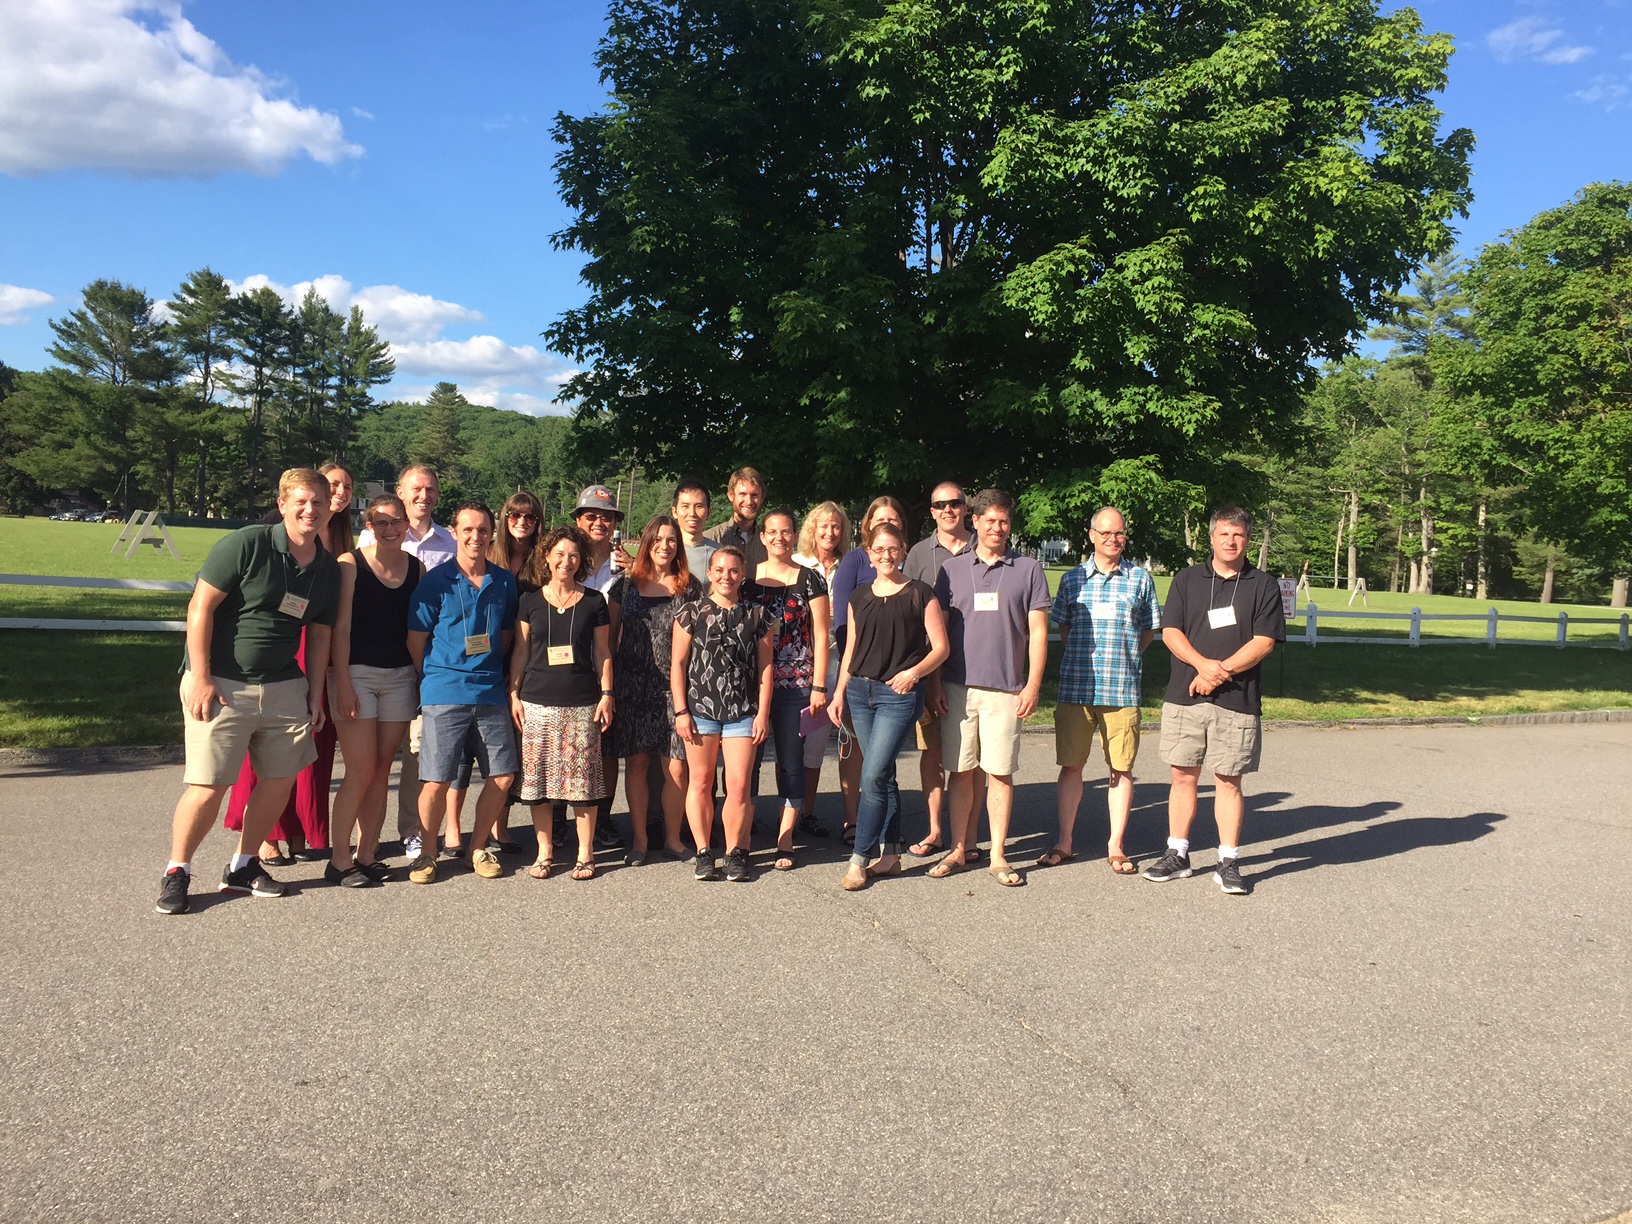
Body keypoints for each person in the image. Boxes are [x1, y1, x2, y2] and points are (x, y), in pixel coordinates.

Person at [155, 468, 341, 914]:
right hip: (222, 683)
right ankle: (177, 869)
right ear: (282, 505)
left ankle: (242, 865)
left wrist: (314, 693)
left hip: (284, 684)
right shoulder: (247, 544)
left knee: (279, 780)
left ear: (329, 508)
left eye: (318, 502)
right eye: (301, 501)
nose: (310, 510)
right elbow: (200, 607)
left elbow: (319, 635)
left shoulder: (327, 568)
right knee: (209, 784)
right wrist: (200, 676)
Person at [1142, 506, 1284, 896]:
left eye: (1238, 535)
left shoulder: (1263, 585)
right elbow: (1171, 632)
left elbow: (1264, 642)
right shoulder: (1187, 579)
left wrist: (1219, 673)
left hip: (1237, 699)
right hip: (1184, 696)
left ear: (1248, 540)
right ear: (1211, 537)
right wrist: (1203, 666)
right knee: (1182, 777)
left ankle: (1228, 861)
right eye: (1224, 534)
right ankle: (1177, 854)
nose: (1230, 541)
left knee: (1228, 780)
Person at [223, 461, 355, 862]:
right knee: (265, 749)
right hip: (281, 646)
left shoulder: (344, 537)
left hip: (319, 643)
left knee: (310, 747)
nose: (340, 492)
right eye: (333, 484)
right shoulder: (274, 529)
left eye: (346, 487)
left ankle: (301, 828)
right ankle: (266, 834)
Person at [932, 488, 1051, 887]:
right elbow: (939, 631)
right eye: (990, 520)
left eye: (1004, 521)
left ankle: (998, 855)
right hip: (957, 686)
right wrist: (934, 682)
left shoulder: (1028, 569)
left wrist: (1032, 684)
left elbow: (1038, 632)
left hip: (1006, 689)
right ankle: (958, 848)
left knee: (999, 773)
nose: (997, 528)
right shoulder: (951, 569)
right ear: (976, 522)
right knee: (960, 772)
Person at [829, 520, 949, 891]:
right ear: (868, 553)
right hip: (859, 692)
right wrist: (839, 692)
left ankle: (859, 859)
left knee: (872, 775)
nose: (886, 555)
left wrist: (914, 674)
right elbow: (851, 650)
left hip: (898, 696)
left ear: (903, 551)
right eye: (878, 549)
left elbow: (941, 648)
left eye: (892, 549)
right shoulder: (859, 597)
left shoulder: (920, 593)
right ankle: (892, 856)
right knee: (883, 775)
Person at [404, 503, 520, 885]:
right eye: (467, 529)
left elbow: (505, 636)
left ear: (492, 534)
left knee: (502, 775)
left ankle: (478, 847)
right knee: (436, 780)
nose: (475, 537)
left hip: (489, 690)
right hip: (444, 690)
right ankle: (428, 853)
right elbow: (416, 641)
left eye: (483, 530)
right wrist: (435, 678)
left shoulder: (504, 582)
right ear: (453, 532)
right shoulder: (435, 581)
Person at [1045, 506, 1161, 874]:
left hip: (1122, 690)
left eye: (1120, 533)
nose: (1114, 539)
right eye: (1106, 533)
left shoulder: (1140, 579)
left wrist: (1125, 656)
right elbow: (1064, 627)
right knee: (1071, 767)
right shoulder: (1072, 580)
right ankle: (1065, 841)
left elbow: (1149, 630)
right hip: (1076, 689)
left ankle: (1116, 846)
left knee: (1121, 770)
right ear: (1092, 535)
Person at [357, 464, 456, 859]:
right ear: (399, 492)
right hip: (375, 658)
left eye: (430, 490)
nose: (423, 496)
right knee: (373, 761)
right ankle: (366, 836)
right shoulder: (373, 534)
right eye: (416, 489)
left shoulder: (449, 543)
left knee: (417, 754)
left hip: (426, 661)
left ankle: (411, 831)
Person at [326, 493, 424, 886]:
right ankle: (339, 859)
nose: (389, 529)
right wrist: (343, 683)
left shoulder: (416, 569)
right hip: (356, 675)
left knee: (383, 770)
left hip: (399, 677)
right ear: (369, 526)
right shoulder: (350, 565)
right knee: (360, 769)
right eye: (381, 522)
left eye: (396, 521)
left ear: (406, 525)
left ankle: (366, 853)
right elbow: (340, 629)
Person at [509, 526, 615, 881]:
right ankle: (545, 852)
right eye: (559, 554)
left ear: (581, 560)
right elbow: (521, 651)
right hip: (536, 702)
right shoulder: (530, 601)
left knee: (582, 784)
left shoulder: (594, 602)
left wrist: (607, 694)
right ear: (546, 557)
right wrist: (514, 693)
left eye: (573, 555)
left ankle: (585, 854)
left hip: (582, 703)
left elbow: (603, 652)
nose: (565, 561)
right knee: (539, 784)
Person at [671, 547, 776, 882]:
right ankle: (704, 852)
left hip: (742, 711)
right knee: (701, 781)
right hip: (700, 709)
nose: (725, 577)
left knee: (739, 784)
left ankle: (734, 853)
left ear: (742, 574)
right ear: (710, 573)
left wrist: (762, 714)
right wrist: (681, 711)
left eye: (733, 570)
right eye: (719, 570)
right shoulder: (691, 613)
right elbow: (678, 665)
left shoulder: (758, 615)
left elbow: (766, 668)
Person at [607, 515, 699, 865]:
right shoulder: (625, 586)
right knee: (637, 764)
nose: (665, 545)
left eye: (671, 539)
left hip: (675, 690)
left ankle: (673, 839)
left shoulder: (690, 587)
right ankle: (641, 840)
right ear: (646, 543)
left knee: (676, 767)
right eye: (658, 539)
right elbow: (608, 641)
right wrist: (607, 689)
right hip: (631, 685)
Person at [744, 508, 830, 870]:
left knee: (791, 763)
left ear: (795, 536)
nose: (779, 538)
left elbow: (822, 635)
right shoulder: (747, 579)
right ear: (762, 537)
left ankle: (785, 839)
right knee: (746, 762)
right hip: (750, 684)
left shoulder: (810, 579)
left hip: (796, 684)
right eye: (772, 532)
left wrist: (819, 686)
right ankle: (743, 834)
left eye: (786, 532)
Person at [902, 480, 977, 859]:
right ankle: (934, 830)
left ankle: (970, 836)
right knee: (931, 750)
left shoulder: (985, 544)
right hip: (929, 667)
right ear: (931, 511)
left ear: (966, 508)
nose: (948, 510)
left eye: (955, 503)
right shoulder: (918, 553)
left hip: (976, 668)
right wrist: (927, 678)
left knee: (972, 758)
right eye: (940, 505)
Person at [827, 495, 906, 846]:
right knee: (855, 748)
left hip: (896, 677)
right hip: (858, 671)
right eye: (878, 519)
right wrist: (850, 672)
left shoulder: (902, 561)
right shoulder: (854, 560)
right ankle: (853, 820)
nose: (885, 523)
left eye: (892, 519)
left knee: (882, 759)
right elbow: (844, 622)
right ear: (867, 525)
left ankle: (886, 832)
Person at [569, 483, 630, 850]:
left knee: (606, 748)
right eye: (591, 515)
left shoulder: (625, 566)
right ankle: (560, 819)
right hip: (569, 666)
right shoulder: (566, 558)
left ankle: (603, 818)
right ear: (578, 519)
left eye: (606, 517)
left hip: (611, 664)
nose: (599, 523)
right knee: (565, 745)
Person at [791, 500, 850, 837]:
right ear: (812, 528)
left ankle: (808, 812)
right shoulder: (797, 564)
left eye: (836, 526)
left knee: (815, 743)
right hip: (796, 663)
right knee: (789, 743)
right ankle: (784, 812)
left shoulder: (850, 565)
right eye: (823, 525)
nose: (830, 532)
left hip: (834, 663)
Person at [702, 466, 768, 571]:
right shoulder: (711, 538)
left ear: (762, 498)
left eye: (754, 495)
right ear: (730, 495)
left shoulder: (768, 541)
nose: (749, 501)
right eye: (743, 494)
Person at [671, 477, 718, 594]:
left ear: (708, 513)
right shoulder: (662, 551)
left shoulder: (719, 554)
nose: (692, 513)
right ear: (674, 512)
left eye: (699, 506)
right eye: (685, 506)